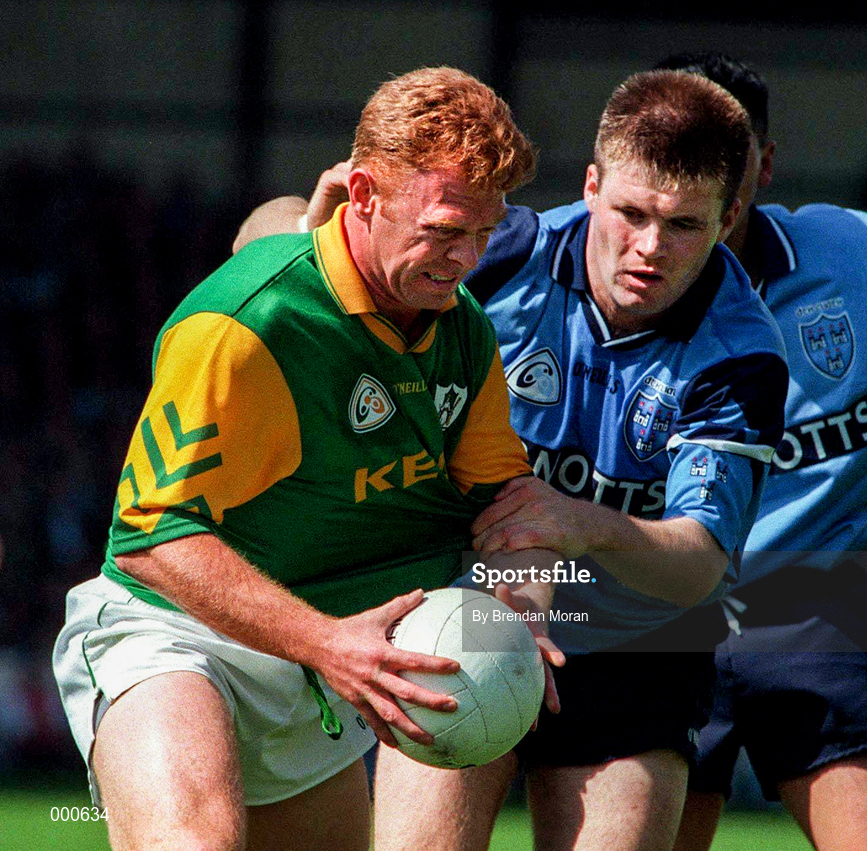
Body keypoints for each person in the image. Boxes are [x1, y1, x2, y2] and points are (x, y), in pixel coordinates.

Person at [235, 69, 789, 851]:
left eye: (685, 225)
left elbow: (698, 564)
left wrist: (581, 525)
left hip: (635, 650)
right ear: (592, 186)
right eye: (630, 213)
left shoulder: (744, 354)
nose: (650, 248)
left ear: (731, 216)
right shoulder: (502, 252)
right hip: (462, 611)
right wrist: (307, 242)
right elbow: (260, 237)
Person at [51, 66, 550, 851]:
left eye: (484, 234)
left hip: (320, 673)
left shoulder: (464, 333)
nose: (465, 258)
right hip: (176, 636)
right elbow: (150, 538)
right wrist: (328, 640)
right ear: (363, 194)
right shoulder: (244, 324)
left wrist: (525, 602)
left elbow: (510, 506)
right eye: (447, 228)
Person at [648, 52, 867, 851]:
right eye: (679, 153)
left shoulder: (860, 255)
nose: (703, 176)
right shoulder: (593, 279)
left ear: (763, 164)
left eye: (724, 154)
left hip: (809, 606)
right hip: (657, 614)